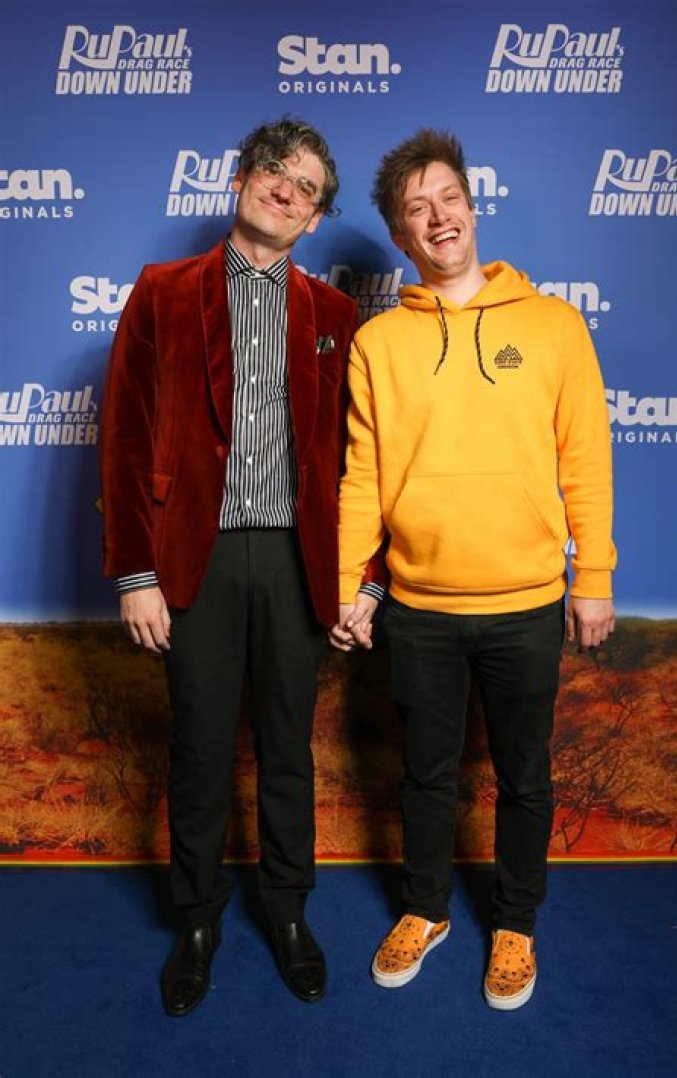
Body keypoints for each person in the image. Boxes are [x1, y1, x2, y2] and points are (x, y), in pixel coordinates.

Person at [100, 118, 385, 1017]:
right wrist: (135, 573)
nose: (285, 189)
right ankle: (196, 921)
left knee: (289, 747)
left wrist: (360, 577)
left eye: (306, 187)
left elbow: (357, 462)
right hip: (199, 555)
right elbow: (125, 435)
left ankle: (289, 912)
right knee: (199, 745)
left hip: (298, 560)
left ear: (314, 217)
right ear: (241, 178)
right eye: (273, 170)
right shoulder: (162, 291)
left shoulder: (334, 316)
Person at [330, 129, 616, 1010]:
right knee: (425, 774)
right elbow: (363, 476)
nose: (438, 217)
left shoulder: (555, 325)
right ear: (400, 235)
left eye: (448, 198)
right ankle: (425, 909)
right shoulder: (379, 343)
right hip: (419, 607)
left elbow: (586, 460)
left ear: (472, 206)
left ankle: (516, 924)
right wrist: (346, 586)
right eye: (417, 209)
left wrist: (594, 577)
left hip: (528, 602)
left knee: (525, 775)